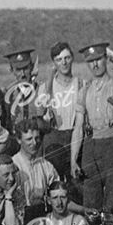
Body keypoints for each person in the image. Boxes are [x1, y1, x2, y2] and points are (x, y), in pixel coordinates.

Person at [72, 42, 113, 212]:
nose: (95, 65)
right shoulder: (84, 90)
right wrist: (73, 160)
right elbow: (78, 127)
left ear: (106, 59)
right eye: (90, 61)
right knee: (91, 198)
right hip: (92, 146)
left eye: (98, 59)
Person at [41, 41, 84, 179]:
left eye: (67, 58)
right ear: (54, 63)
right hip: (54, 139)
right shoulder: (45, 87)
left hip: (75, 137)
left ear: (72, 58)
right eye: (59, 59)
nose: (64, 63)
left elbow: (80, 122)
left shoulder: (81, 84)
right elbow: (41, 118)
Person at [11, 117, 61, 221]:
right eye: (29, 139)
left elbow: (59, 193)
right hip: (19, 219)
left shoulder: (46, 165)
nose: (34, 143)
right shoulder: (13, 165)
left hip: (43, 214)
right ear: (19, 140)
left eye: (37, 138)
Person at [0, 49, 47, 138]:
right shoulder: (5, 95)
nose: (22, 74)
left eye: (26, 68)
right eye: (18, 70)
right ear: (11, 70)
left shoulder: (42, 91)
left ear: (32, 67)